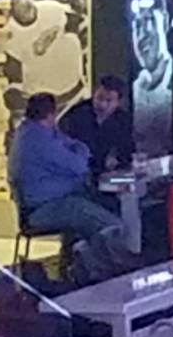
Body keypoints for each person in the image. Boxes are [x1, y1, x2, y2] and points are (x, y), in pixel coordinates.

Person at [9, 93, 133, 280]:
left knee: (100, 205)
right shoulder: (39, 140)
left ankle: (87, 264)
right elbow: (80, 164)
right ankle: (106, 272)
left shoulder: (31, 132)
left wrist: (77, 152)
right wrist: (79, 153)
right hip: (45, 208)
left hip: (52, 200)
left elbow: (74, 149)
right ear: (51, 115)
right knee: (111, 225)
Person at [58, 74, 133, 179]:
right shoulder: (76, 115)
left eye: (109, 101)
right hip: (77, 174)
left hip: (109, 175)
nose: (102, 105)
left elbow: (127, 150)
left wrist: (116, 158)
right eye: (99, 98)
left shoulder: (123, 121)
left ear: (118, 102)